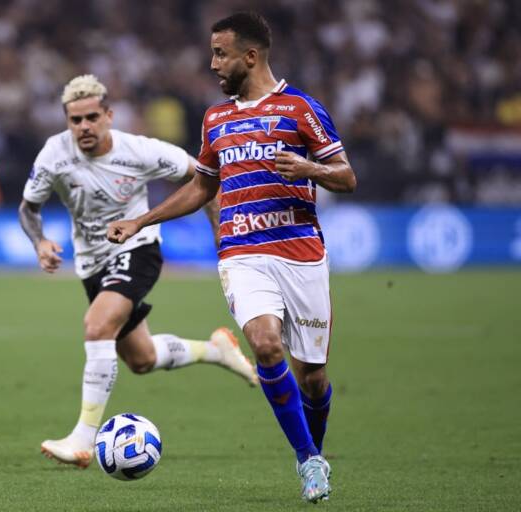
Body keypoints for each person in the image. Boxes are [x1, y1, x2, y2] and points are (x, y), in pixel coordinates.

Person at [107, 12, 357, 503]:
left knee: (313, 377)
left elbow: (346, 176)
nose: (213, 63)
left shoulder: (300, 109)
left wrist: (308, 168)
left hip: (300, 252)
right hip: (241, 253)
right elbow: (202, 186)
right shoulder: (215, 119)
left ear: (251, 56)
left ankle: (314, 449)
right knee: (265, 345)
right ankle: (308, 459)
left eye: (221, 54)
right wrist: (141, 220)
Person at [19, 74, 258, 469]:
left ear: (109, 116)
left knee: (97, 326)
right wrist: (40, 241)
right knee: (142, 358)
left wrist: (221, 230)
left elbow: (205, 177)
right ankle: (217, 350)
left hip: (137, 247)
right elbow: (28, 208)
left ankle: (83, 439)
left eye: (92, 117)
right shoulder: (54, 154)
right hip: (92, 263)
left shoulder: (140, 151)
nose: (84, 126)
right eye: (75, 120)